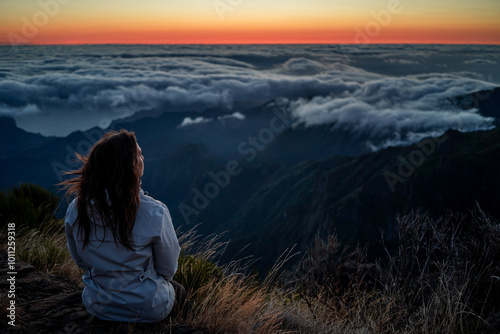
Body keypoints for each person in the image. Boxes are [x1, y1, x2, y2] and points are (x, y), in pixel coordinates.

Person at [61, 129, 186, 324]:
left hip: (97, 305)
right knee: (179, 291)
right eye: (139, 155)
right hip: (147, 308)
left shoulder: (76, 209)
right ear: (131, 166)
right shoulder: (155, 212)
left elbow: (81, 262)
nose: (143, 158)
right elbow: (167, 269)